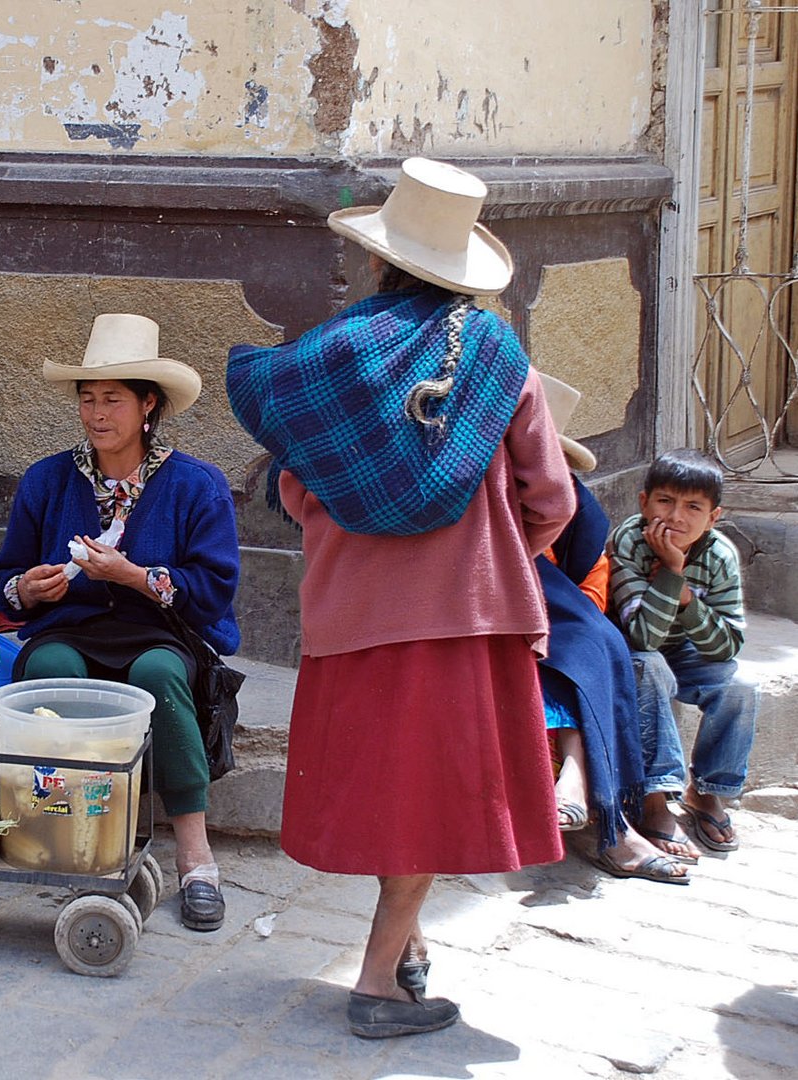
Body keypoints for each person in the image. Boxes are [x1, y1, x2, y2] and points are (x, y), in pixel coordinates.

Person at [228, 157, 575, 1038]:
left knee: (393, 795)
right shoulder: (500, 359)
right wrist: (489, 552)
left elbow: (297, 490)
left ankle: (406, 945)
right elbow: (554, 501)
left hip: (353, 616)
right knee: (430, 799)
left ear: (377, 263)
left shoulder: (325, 362)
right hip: (465, 616)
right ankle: (379, 982)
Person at [0, 313, 241, 932]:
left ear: (148, 405)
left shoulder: (196, 485)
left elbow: (213, 591)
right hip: (69, 628)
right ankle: (67, 833)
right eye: (88, 400)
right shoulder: (48, 480)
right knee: (47, 668)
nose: (98, 415)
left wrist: (134, 576)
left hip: (161, 633)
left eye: (113, 401)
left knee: (156, 675)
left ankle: (196, 856)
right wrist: (28, 589)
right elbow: (1, 580)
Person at [534, 374, 686, 885]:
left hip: (570, 642)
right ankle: (601, 817)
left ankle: (642, 804)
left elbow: (590, 608)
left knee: (627, 662)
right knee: (567, 655)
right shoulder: (491, 515)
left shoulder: (582, 524)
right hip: (510, 635)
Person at [608, 449, 759, 855]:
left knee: (740, 684)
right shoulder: (628, 542)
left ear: (713, 517)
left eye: (693, 507)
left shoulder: (719, 554)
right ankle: (653, 799)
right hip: (633, 656)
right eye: (665, 501)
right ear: (644, 503)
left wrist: (688, 601)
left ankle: (707, 792)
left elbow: (727, 645)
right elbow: (641, 638)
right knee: (651, 665)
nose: (676, 516)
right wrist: (672, 573)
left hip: (688, 652)